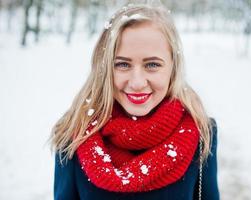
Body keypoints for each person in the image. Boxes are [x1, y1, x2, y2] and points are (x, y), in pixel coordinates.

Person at [49, 2, 219, 200]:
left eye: (152, 64)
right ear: (104, 68)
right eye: (122, 64)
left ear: (173, 67)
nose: (137, 83)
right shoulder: (73, 133)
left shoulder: (201, 132)